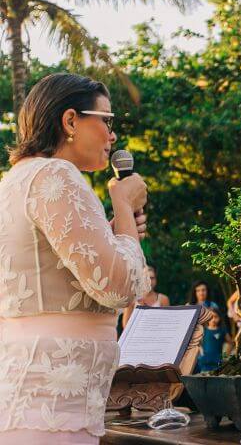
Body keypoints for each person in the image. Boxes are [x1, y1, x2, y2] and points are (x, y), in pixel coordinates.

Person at [0, 73, 150, 443]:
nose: (112, 136)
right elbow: (120, 287)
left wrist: (113, 233)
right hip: (52, 411)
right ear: (70, 121)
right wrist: (124, 205)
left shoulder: (15, 180)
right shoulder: (57, 175)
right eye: (106, 120)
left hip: (37, 397)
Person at [197, 307, 231, 373]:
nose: (213, 320)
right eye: (210, 317)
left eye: (216, 317)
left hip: (217, 362)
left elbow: (230, 343)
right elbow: (198, 343)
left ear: (220, 318)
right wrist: (201, 353)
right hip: (205, 362)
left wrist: (224, 356)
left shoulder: (222, 330)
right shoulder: (203, 330)